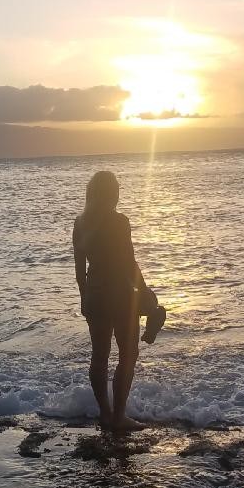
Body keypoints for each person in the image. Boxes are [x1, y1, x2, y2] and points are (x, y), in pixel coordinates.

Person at [72, 170, 167, 433]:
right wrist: (146, 293)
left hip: (95, 294)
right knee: (128, 355)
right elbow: (129, 263)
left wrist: (84, 298)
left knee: (99, 357)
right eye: (115, 189)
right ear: (109, 194)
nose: (118, 193)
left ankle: (105, 413)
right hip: (121, 295)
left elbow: (80, 270)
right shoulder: (119, 222)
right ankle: (119, 416)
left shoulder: (80, 223)